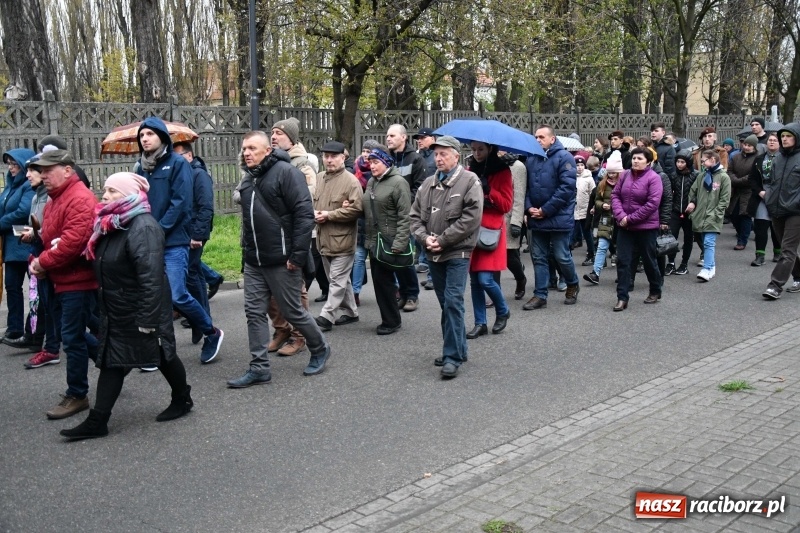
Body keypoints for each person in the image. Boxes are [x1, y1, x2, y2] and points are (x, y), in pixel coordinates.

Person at [59, 173, 194, 440]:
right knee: (124, 359)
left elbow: (151, 277)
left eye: (112, 191)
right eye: (105, 190)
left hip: (139, 308)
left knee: (154, 354)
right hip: (118, 307)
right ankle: (180, 398)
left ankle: (102, 419)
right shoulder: (112, 224)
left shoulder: (143, 227)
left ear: (130, 195)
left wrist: (148, 318)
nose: (105, 196)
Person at [228, 131, 330, 387]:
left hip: (283, 260)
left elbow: (304, 216)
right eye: (244, 149)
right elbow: (249, 223)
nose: (247, 153)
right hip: (255, 261)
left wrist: (296, 256)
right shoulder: (248, 179)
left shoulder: (287, 173)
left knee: (293, 311)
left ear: (267, 151)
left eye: (252, 148)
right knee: (253, 312)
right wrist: (246, 255)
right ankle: (259, 367)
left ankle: (320, 347)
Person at [135, 117, 224, 364]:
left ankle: (211, 332)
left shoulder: (177, 164)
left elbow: (181, 203)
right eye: (142, 135)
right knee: (153, 298)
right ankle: (160, 352)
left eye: (150, 134)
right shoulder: (140, 168)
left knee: (177, 295)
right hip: (147, 242)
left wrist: (158, 230)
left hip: (173, 241)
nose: (145, 139)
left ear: (162, 137)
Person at [28, 149, 99, 420]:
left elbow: (72, 243)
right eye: (41, 170)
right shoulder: (56, 198)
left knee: (71, 338)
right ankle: (113, 362)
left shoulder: (79, 198)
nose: (42, 175)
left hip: (77, 282)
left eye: (48, 170)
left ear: (67, 170)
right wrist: (39, 254)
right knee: (75, 335)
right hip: (62, 280)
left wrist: (43, 263)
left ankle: (77, 394)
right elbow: (51, 236)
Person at [410, 136, 483, 378]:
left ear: (456, 155)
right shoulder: (428, 184)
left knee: (453, 301)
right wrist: (424, 239)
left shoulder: (470, 181)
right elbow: (415, 219)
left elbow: (471, 219)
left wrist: (441, 240)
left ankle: (452, 356)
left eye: (443, 154)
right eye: (435, 154)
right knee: (447, 304)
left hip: (457, 252)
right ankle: (458, 348)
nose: (438, 158)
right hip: (433, 253)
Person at [270, 118, 321, 356]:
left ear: (291, 137)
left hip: (292, 235)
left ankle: (299, 336)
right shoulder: (267, 162)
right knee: (268, 288)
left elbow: (305, 201)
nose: (273, 136)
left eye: (278, 133)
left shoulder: (303, 164)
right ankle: (281, 329)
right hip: (269, 236)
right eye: (271, 132)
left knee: (295, 288)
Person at [522, 126, 579, 310]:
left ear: (552, 139)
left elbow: (566, 189)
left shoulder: (564, 158)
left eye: (541, 137)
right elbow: (527, 187)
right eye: (536, 137)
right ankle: (540, 295)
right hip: (537, 217)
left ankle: (572, 283)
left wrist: (545, 210)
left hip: (557, 217)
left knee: (561, 256)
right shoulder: (531, 158)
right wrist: (529, 207)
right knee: (538, 257)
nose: (537, 140)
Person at [312, 141, 364, 331]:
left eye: (333, 156)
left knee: (336, 279)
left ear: (343, 157)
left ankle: (326, 316)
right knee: (341, 280)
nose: (329, 160)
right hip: (323, 239)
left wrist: (329, 215)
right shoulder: (319, 178)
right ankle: (351, 312)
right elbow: (313, 203)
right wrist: (315, 214)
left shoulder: (351, 181)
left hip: (343, 240)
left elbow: (357, 209)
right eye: (326, 156)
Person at [362, 145, 412, 335]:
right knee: (381, 283)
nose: (372, 166)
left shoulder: (399, 183)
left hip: (390, 241)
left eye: (376, 162)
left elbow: (405, 215)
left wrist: (400, 242)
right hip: (374, 241)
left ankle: (391, 321)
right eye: (370, 162)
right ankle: (389, 318)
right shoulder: (371, 182)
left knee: (386, 282)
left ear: (386, 162)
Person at [465, 142, 513, 339]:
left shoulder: (502, 171)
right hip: (471, 227)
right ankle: (480, 323)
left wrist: (489, 190)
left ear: (490, 149)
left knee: (485, 279)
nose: (476, 154)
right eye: (474, 149)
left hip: (490, 229)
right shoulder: (470, 170)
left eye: (481, 150)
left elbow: (506, 205)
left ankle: (502, 310)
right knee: (475, 281)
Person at [172, 141, 215, 344]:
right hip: (185, 233)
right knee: (195, 274)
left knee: (189, 276)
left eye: (179, 156)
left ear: (189, 156)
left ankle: (200, 320)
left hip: (194, 234)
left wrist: (197, 235)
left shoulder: (199, 175)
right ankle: (202, 319)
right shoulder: (183, 174)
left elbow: (205, 207)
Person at [610, 147, 663, 311]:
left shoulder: (654, 178)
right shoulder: (624, 175)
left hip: (646, 227)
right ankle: (622, 297)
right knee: (623, 261)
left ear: (648, 161)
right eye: (634, 158)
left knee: (648, 260)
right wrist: (621, 216)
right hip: (625, 227)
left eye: (640, 159)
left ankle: (655, 289)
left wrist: (630, 219)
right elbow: (615, 196)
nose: (635, 161)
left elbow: (652, 204)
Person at [19, 153, 59, 366]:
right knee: (47, 303)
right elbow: (38, 226)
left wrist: (36, 234)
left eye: (32, 171)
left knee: (58, 305)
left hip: (51, 255)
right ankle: (51, 347)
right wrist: (31, 234)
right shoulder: (36, 196)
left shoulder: (52, 196)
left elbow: (52, 230)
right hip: (38, 252)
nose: (28, 175)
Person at [386, 124, 424, 312]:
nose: (388, 139)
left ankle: (412, 295)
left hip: (407, 216)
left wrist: (400, 201)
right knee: (394, 258)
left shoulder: (415, 159)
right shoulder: (386, 159)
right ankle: (402, 291)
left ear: (404, 137)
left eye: (392, 135)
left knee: (405, 256)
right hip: (389, 217)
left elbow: (420, 189)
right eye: (387, 136)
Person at [0, 148, 35, 345]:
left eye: (15, 164)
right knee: (12, 287)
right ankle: (14, 328)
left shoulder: (28, 186)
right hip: (12, 247)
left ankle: (36, 330)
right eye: (9, 164)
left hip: (26, 244)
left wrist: (2, 223)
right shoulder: (10, 186)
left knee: (35, 290)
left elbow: (23, 211)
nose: (11, 168)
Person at [762, 123, 800, 299]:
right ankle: (799, 277)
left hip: (795, 211)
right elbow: (770, 181)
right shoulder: (777, 158)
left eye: (788, 136)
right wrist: (769, 197)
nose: (784, 139)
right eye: (782, 136)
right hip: (776, 208)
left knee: (787, 249)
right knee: (787, 249)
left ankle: (775, 285)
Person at [686, 150, 731, 282]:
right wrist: (693, 205)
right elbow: (693, 191)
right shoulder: (702, 176)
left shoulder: (723, 177)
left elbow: (725, 198)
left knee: (708, 242)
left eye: (704, 160)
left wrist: (717, 212)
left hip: (713, 215)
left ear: (712, 160)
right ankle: (711, 267)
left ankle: (706, 268)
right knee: (704, 242)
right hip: (700, 214)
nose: (702, 163)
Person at [583, 150, 623, 285]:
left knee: (621, 250)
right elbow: (596, 200)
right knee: (601, 247)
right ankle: (595, 273)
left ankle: (623, 274)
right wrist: (602, 205)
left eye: (614, 173)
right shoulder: (602, 184)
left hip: (620, 221)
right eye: (609, 172)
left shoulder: (624, 184)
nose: (611, 175)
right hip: (606, 219)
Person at [748, 132, 781, 266]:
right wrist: (759, 191)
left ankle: (778, 252)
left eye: (775, 140)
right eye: (770, 140)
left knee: (776, 226)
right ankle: (759, 255)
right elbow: (752, 178)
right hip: (762, 195)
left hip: (779, 196)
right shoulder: (759, 159)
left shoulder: (784, 158)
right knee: (761, 225)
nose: (772, 142)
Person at [665, 151, 701, 276]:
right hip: (675, 210)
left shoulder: (696, 175)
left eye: (682, 162)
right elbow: (669, 192)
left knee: (688, 238)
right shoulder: (673, 175)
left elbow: (699, 192)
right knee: (671, 237)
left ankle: (684, 263)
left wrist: (693, 202)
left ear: (688, 163)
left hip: (690, 212)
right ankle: (670, 262)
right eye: (678, 162)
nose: (679, 165)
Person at [727, 135, 759, 251]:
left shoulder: (757, 158)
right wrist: (734, 180)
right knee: (733, 215)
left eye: (749, 145)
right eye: (745, 144)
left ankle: (742, 240)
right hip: (736, 190)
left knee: (745, 215)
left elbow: (753, 175)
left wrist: (738, 181)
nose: (746, 147)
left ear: (754, 147)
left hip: (749, 191)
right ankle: (746, 230)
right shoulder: (736, 157)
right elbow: (729, 170)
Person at [503, 151, 527, 300]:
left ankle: (520, 278)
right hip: (492, 216)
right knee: (491, 255)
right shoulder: (490, 163)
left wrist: (516, 221)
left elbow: (519, 195)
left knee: (510, 257)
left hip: (509, 216)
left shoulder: (517, 166)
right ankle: (494, 293)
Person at [573, 154, 596, 266]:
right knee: (570, 233)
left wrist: (592, 207)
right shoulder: (571, 177)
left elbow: (593, 194)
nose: (580, 167)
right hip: (573, 210)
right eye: (577, 165)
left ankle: (591, 254)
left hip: (585, 209)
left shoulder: (589, 178)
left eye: (582, 165)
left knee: (587, 233)